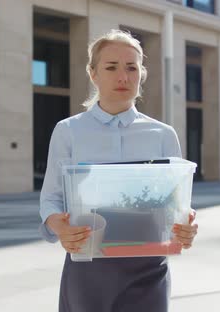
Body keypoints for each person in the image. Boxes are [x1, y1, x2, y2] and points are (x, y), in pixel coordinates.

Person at [38, 29, 198, 312]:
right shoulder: (68, 131)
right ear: (93, 73)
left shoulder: (162, 134)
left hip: (149, 268)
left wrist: (185, 225)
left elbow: (176, 204)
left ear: (141, 74)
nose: (123, 77)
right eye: (111, 67)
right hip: (88, 266)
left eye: (131, 67)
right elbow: (51, 197)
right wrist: (58, 225)